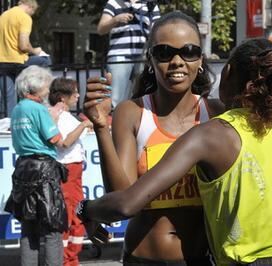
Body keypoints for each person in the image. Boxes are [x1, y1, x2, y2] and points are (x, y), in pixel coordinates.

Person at [77, 43, 272, 265]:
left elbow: (126, 203)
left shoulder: (211, 134)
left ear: (227, 72)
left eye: (190, 52)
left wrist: (86, 210)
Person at [85, 11, 223, 265]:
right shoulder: (133, 112)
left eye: (189, 51)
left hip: (203, 259)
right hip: (144, 258)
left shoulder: (216, 113)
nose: (177, 61)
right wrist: (101, 127)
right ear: (150, 60)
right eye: (164, 53)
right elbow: (123, 198)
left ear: (200, 60)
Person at [4, 65, 68, 266]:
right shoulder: (39, 109)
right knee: (52, 227)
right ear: (37, 87)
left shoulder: (16, 109)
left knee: (28, 227)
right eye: (46, 87)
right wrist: (55, 118)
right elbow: (56, 139)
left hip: (22, 168)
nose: (48, 91)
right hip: (44, 170)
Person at [48, 78, 93, 266]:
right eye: (73, 92)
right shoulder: (59, 116)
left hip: (71, 171)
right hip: (68, 170)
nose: (77, 95)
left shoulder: (59, 115)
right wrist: (82, 125)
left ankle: (70, 257)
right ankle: (68, 259)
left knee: (74, 215)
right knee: (72, 215)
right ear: (62, 97)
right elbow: (65, 142)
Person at [97, 0, 160, 108]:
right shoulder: (114, 2)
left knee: (141, 96)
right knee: (116, 98)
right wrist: (115, 20)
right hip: (119, 56)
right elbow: (100, 29)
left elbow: (158, 31)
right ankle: (114, 123)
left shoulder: (150, 5)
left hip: (143, 57)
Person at [0, 0, 50, 116]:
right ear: (31, 7)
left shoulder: (3, 16)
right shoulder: (24, 17)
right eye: (33, 12)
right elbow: (23, 45)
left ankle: (9, 122)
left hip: (2, 62)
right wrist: (36, 51)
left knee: (8, 96)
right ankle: (45, 97)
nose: (32, 14)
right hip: (17, 61)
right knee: (45, 60)